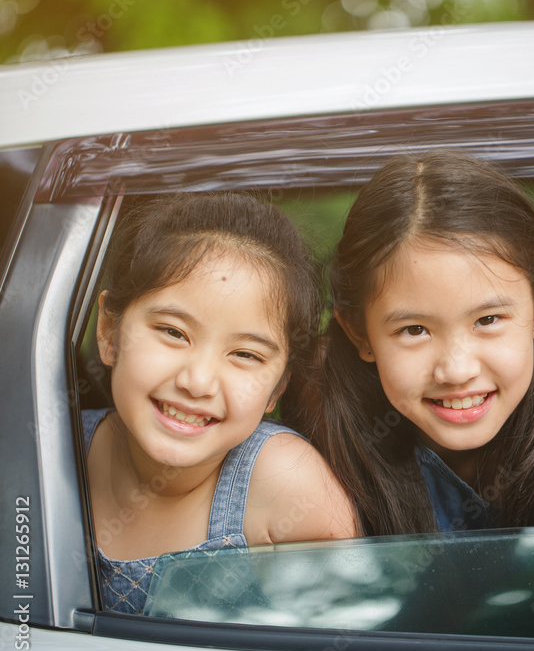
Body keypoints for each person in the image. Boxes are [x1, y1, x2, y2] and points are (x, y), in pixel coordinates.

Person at [297, 150, 534, 536]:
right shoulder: (318, 438)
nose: (457, 371)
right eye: (414, 329)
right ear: (360, 333)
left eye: (487, 320)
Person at [84, 191, 356, 614]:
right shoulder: (44, 447)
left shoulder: (284, 486)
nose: (198, 382)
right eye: (173, 332)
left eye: (246, 355)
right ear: (108, 331)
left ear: (278, 387)